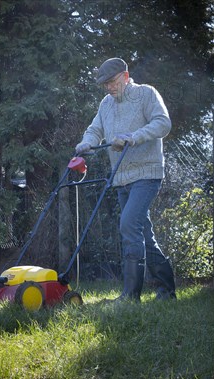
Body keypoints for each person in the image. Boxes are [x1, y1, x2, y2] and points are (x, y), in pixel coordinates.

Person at [75, 57, 176, 301]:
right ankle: (167, 291)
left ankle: (130, 296)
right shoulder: (106, 104)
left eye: (111, 82)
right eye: (104, 84)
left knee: (129, 225)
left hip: (147, 173)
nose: (109, 87)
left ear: (125, 76)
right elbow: (95, 129)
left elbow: (163, 123)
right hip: (121, 178)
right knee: (144, 236)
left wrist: (133, 136)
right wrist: (87, 142)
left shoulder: (146, 94)